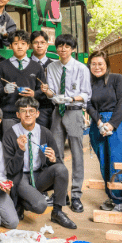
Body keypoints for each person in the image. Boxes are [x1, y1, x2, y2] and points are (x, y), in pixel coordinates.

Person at [2, 97, 76, 229]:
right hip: (19, 177)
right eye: (23, 111)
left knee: (61, 169)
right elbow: (10, 170)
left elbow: (58, 160)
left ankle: (57, 212)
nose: (28, 114)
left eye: (31, 111)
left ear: (37, 113)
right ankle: (20, 200)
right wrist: (20, 150)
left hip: (38, 174)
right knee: (40, 206)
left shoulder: (45, 133)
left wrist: (53, 159)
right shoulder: (11, 134)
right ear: (18, 115)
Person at [43, 34, 92, 214]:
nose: (63, 49)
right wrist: (47, 92)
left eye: (67, 46)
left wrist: (71, 98)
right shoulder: (51, 67)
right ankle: (61, 194)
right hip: (58, 112)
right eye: (60, 46)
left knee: (77, 154)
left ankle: (77, 195)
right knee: (57, 155)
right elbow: (52, 92)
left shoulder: (81, 68)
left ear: (73, 49)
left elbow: (87, 93)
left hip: (74, 111)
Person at [86, 51, 122, 213]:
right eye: (93, 64)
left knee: (118, 161)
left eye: (100, 64)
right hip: (98, 125)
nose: (97, 67)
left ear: (107, 65)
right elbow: (89, 104)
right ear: (89, 65)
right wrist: (99, 123)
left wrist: (111, 125)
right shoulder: (88, 83)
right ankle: (112, 197)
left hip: (117, 125)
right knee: (104, 163)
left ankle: (121, 201)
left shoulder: (117, 79)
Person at [0, 30, 47, 122]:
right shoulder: (1, 66)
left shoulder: (37, 67)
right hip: (8, 115)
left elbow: (43, 91)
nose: (20, 47)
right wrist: (4, 90)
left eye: (23, 43)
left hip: (30, 115)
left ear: (28, 46)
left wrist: (34, 94)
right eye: (16, 43)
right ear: (10, 46)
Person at [30, 31, 54, 129]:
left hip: (51, 107)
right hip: (31, 107)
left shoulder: (54, 65)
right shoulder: (25, 64)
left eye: (42, 43)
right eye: (36, 43)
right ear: (31, 45)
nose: (39, 46)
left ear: (47, 45)